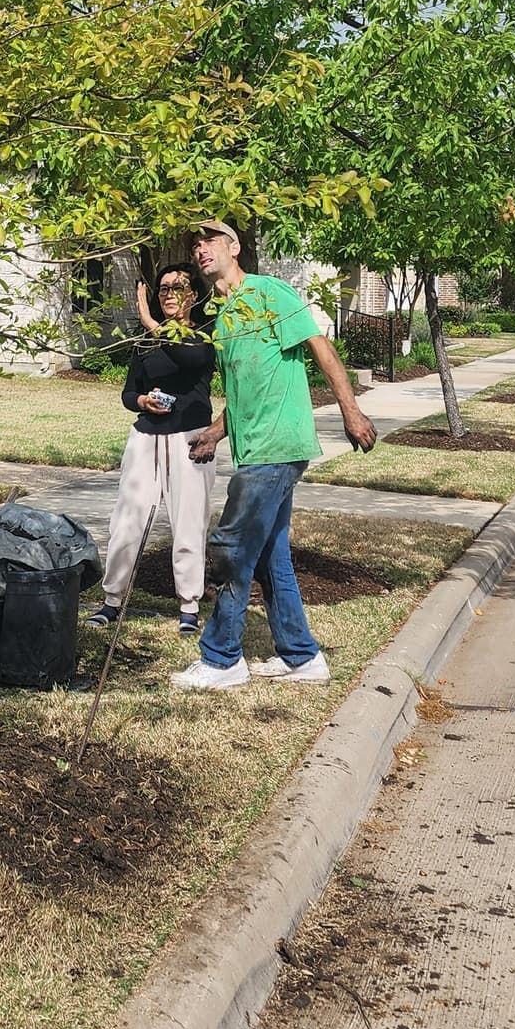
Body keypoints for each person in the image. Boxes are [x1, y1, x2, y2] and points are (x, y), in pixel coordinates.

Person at [174, 220, 378, 691]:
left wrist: (351, 411)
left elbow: (321, 348)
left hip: (278, 446)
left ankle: (222, 659)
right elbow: (246, 389)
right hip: (254, 448)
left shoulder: (270, 294)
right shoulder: (224, 314)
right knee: (270, 556)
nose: (201, 249)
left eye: (210, 240)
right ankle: (302, 657)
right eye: (195, 244)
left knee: (232, 550)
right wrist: (216, 433)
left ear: (234, 247)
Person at [88, 261, 217, 638]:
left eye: (179, 288)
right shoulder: (145, 341)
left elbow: (192, 359)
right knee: (127, 521)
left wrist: (149, 321)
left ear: (194, 294)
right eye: (163, 289)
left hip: (190, 438)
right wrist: (142, 401)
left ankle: (189, 606)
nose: (169, 295)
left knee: (189, 522)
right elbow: (129, 392)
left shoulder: (205, 334)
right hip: (145, 438)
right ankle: (112, 600)